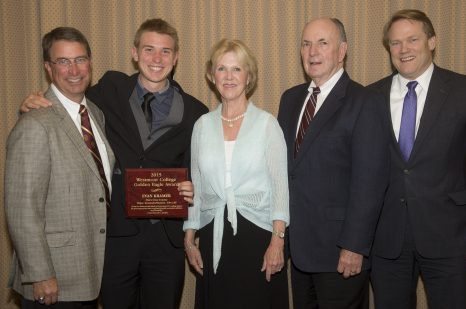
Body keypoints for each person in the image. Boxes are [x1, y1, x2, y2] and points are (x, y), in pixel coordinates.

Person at [20, 19, 208, 309]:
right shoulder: (107, 91)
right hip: (114, 237)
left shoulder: (196, 112)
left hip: (166, 239)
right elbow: (66, 100)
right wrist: (34, 100)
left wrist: (192, 188)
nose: (156, 59)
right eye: (148, 49)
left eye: (165, 51)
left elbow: (200, 173)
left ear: (176, 57)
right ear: (134, 53)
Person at [368, 9, 466, 309]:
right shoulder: (371, 96)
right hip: (387, 240)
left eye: (412, 39)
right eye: (395, 43)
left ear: (432, 42)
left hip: (450, 237)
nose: (403, 50)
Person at [277, 18, 390, 309]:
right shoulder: (290, 100)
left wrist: (354, 245)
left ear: (342, 51)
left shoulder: (365, 101)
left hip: (340, 253)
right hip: (300, 249)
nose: (312, 51)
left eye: (322, 43)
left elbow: (370, 182)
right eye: (306, 44)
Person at [5, 27, 115, 308]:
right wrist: (40, 274)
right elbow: (22, 209)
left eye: (80, 59)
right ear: (48, 68)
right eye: (63, 61)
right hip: (54, 279)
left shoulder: (95, 114)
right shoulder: (35, 124)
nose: (74, 69)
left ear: (90, 62)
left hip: (89, 272)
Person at [183, 39, 290, 309]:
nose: (229, 77)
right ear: (212, 75)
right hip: (212, 234)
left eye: (236, 69)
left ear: (248, 76)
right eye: (221, 69)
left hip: (258, 237)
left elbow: (280, 188)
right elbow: (196, 185)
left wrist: (277, 242)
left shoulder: (267, 125)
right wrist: (189, 239)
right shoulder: (202, 126)